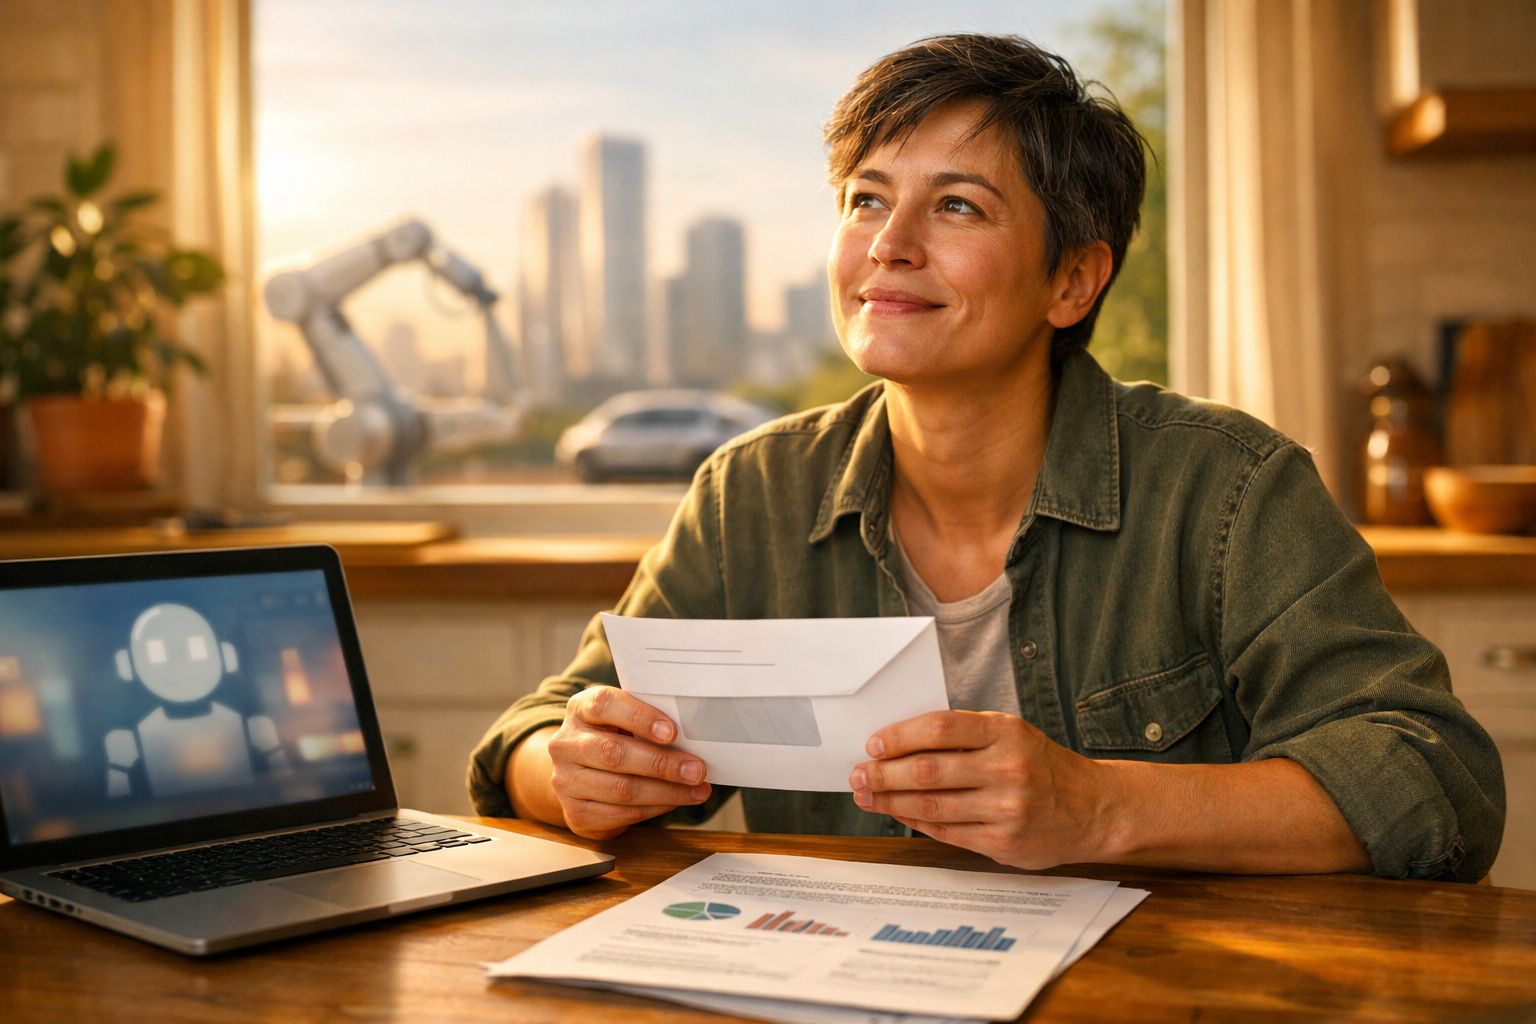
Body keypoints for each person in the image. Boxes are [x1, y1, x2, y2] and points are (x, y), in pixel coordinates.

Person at [469, 33, 1503, 882]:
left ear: (1073, 282)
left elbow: (1435, 780)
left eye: (957, 205)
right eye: (866, 198)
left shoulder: (1228, 487)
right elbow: (534, 735)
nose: (889, 243)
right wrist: (574, 773)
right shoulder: (752, 494)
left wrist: (1098, 807)